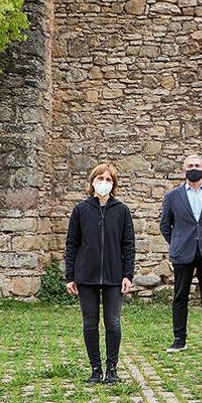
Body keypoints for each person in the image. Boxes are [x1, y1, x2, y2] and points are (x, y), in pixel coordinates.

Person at [65, 163, 135, 384]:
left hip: (114, 276)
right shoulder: (81, 210)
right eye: (100, 178)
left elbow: (128, 245)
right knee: (90, 323)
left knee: (113, 323)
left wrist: (128, 275)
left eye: (108, 179)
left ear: (113, 184)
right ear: (92, 181)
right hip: (86, 276)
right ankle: (96, 369)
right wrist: (70, 276)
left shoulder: (122, 211)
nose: (104, 183)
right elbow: (72, 244)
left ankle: (112, 369)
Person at [159, 155, 202, 353]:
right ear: (183, 171)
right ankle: (179, 339)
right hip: (182, 252)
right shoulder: (173, 196)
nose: (194, 168)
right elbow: (165, 224)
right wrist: (177, 242)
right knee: (180, 296)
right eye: (190, 166)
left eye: (197, 165)